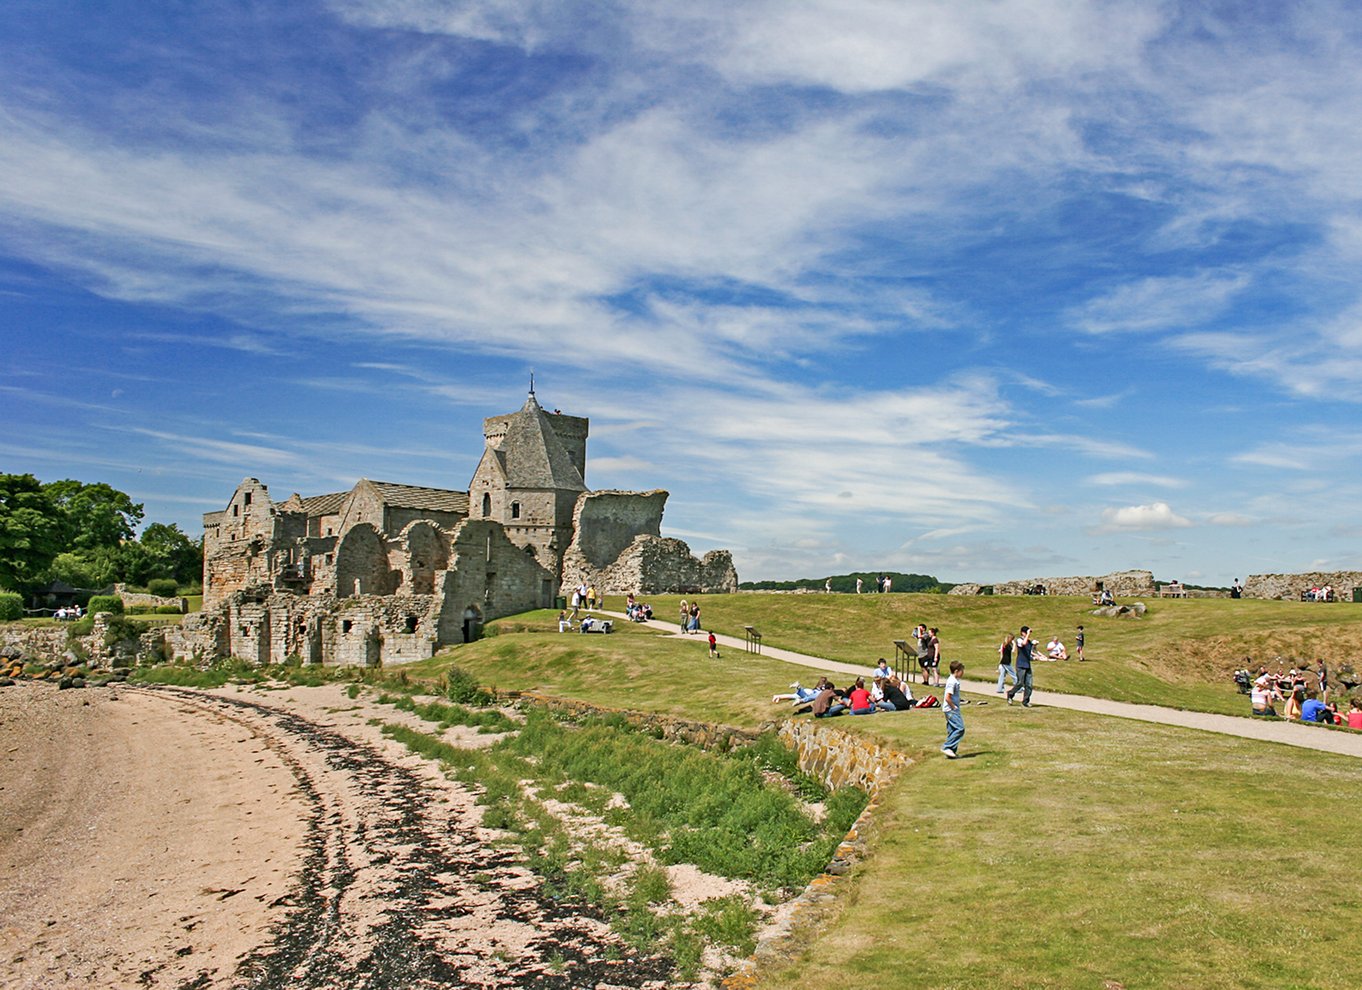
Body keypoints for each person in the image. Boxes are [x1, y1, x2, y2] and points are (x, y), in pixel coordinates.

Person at [1007, 626, 1036, 707]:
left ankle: (1025, 701)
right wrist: (1028, 634)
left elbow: (1030, 653)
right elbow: (1023, 644)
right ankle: (1010, 694)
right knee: (1020, 683)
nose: (1028, 634)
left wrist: (1037, 657)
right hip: (1021, 665)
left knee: (1029, 684)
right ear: (1023, 633)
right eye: (1027, 632)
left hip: (1027, 665)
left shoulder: (1029, 642)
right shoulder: (1019, 640)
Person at [942, 660, 965, 758]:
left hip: (951, 709)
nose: (963, 673)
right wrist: (953, 707)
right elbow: (947, 697)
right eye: (961, 671)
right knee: (960, 728)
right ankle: (947, 746)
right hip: (951, 710)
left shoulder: (955, 681)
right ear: (956, 671)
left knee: (952, 730)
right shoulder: (952, 682)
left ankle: (951, 752)